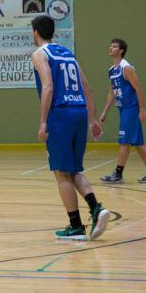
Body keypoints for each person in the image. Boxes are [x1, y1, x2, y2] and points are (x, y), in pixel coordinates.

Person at [30, 15, 109, 241]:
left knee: (61, 173)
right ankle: (96, 207)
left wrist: (43, 121)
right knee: (75, 169)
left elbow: (48, 87)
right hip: (79, 112)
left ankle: (75, 226)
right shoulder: (67, 53)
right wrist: (93, 119)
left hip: (60, 114)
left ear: (35, 32)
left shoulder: (40, 54)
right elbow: (88, 88)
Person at [98, 39, 146, 183]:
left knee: (124, 141)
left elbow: (138, 87)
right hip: (122, 109)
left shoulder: (126, 68)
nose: (111, 48)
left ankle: (118, 174)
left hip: (131, 109)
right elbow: (112, 92)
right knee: (137, 142)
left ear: (121, 51)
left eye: (114, 46)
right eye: (111, 45)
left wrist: (142, 109)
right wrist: (105, 111)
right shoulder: (112, 70)